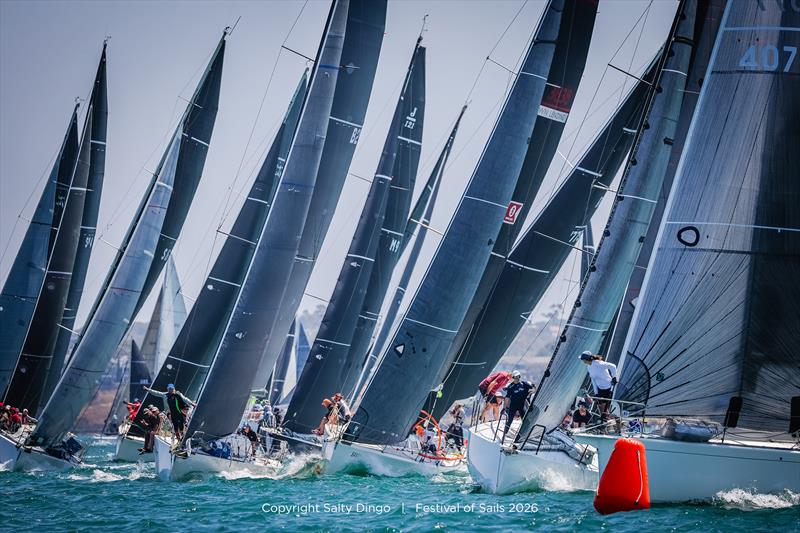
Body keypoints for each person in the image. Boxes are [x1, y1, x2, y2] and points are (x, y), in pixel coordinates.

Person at [579, 351, 617, 423]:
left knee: (604, 408)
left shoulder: (599, 363)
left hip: (608, 388)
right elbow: (593, 380)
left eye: (583, 359)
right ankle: (608, 420)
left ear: (587, 359)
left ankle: (612, 421)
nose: (583, 361)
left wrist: (614, 377)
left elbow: (613, 366)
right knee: (600, 406)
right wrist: (596, 392)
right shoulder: (589, 367)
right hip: (600, 389)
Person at [501, 370, 535, 443]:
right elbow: (507, 398)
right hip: (513, 406)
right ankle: (504, 434)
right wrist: (504, 408)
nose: (517, 378)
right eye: (515, 377)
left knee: (525, 421)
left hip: (522, 405)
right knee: (509, 420)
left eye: (518, 376)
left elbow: (533, 388)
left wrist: (530, 395)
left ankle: (524, 435)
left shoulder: (524, 384)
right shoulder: (511, 386)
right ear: (513, 377)